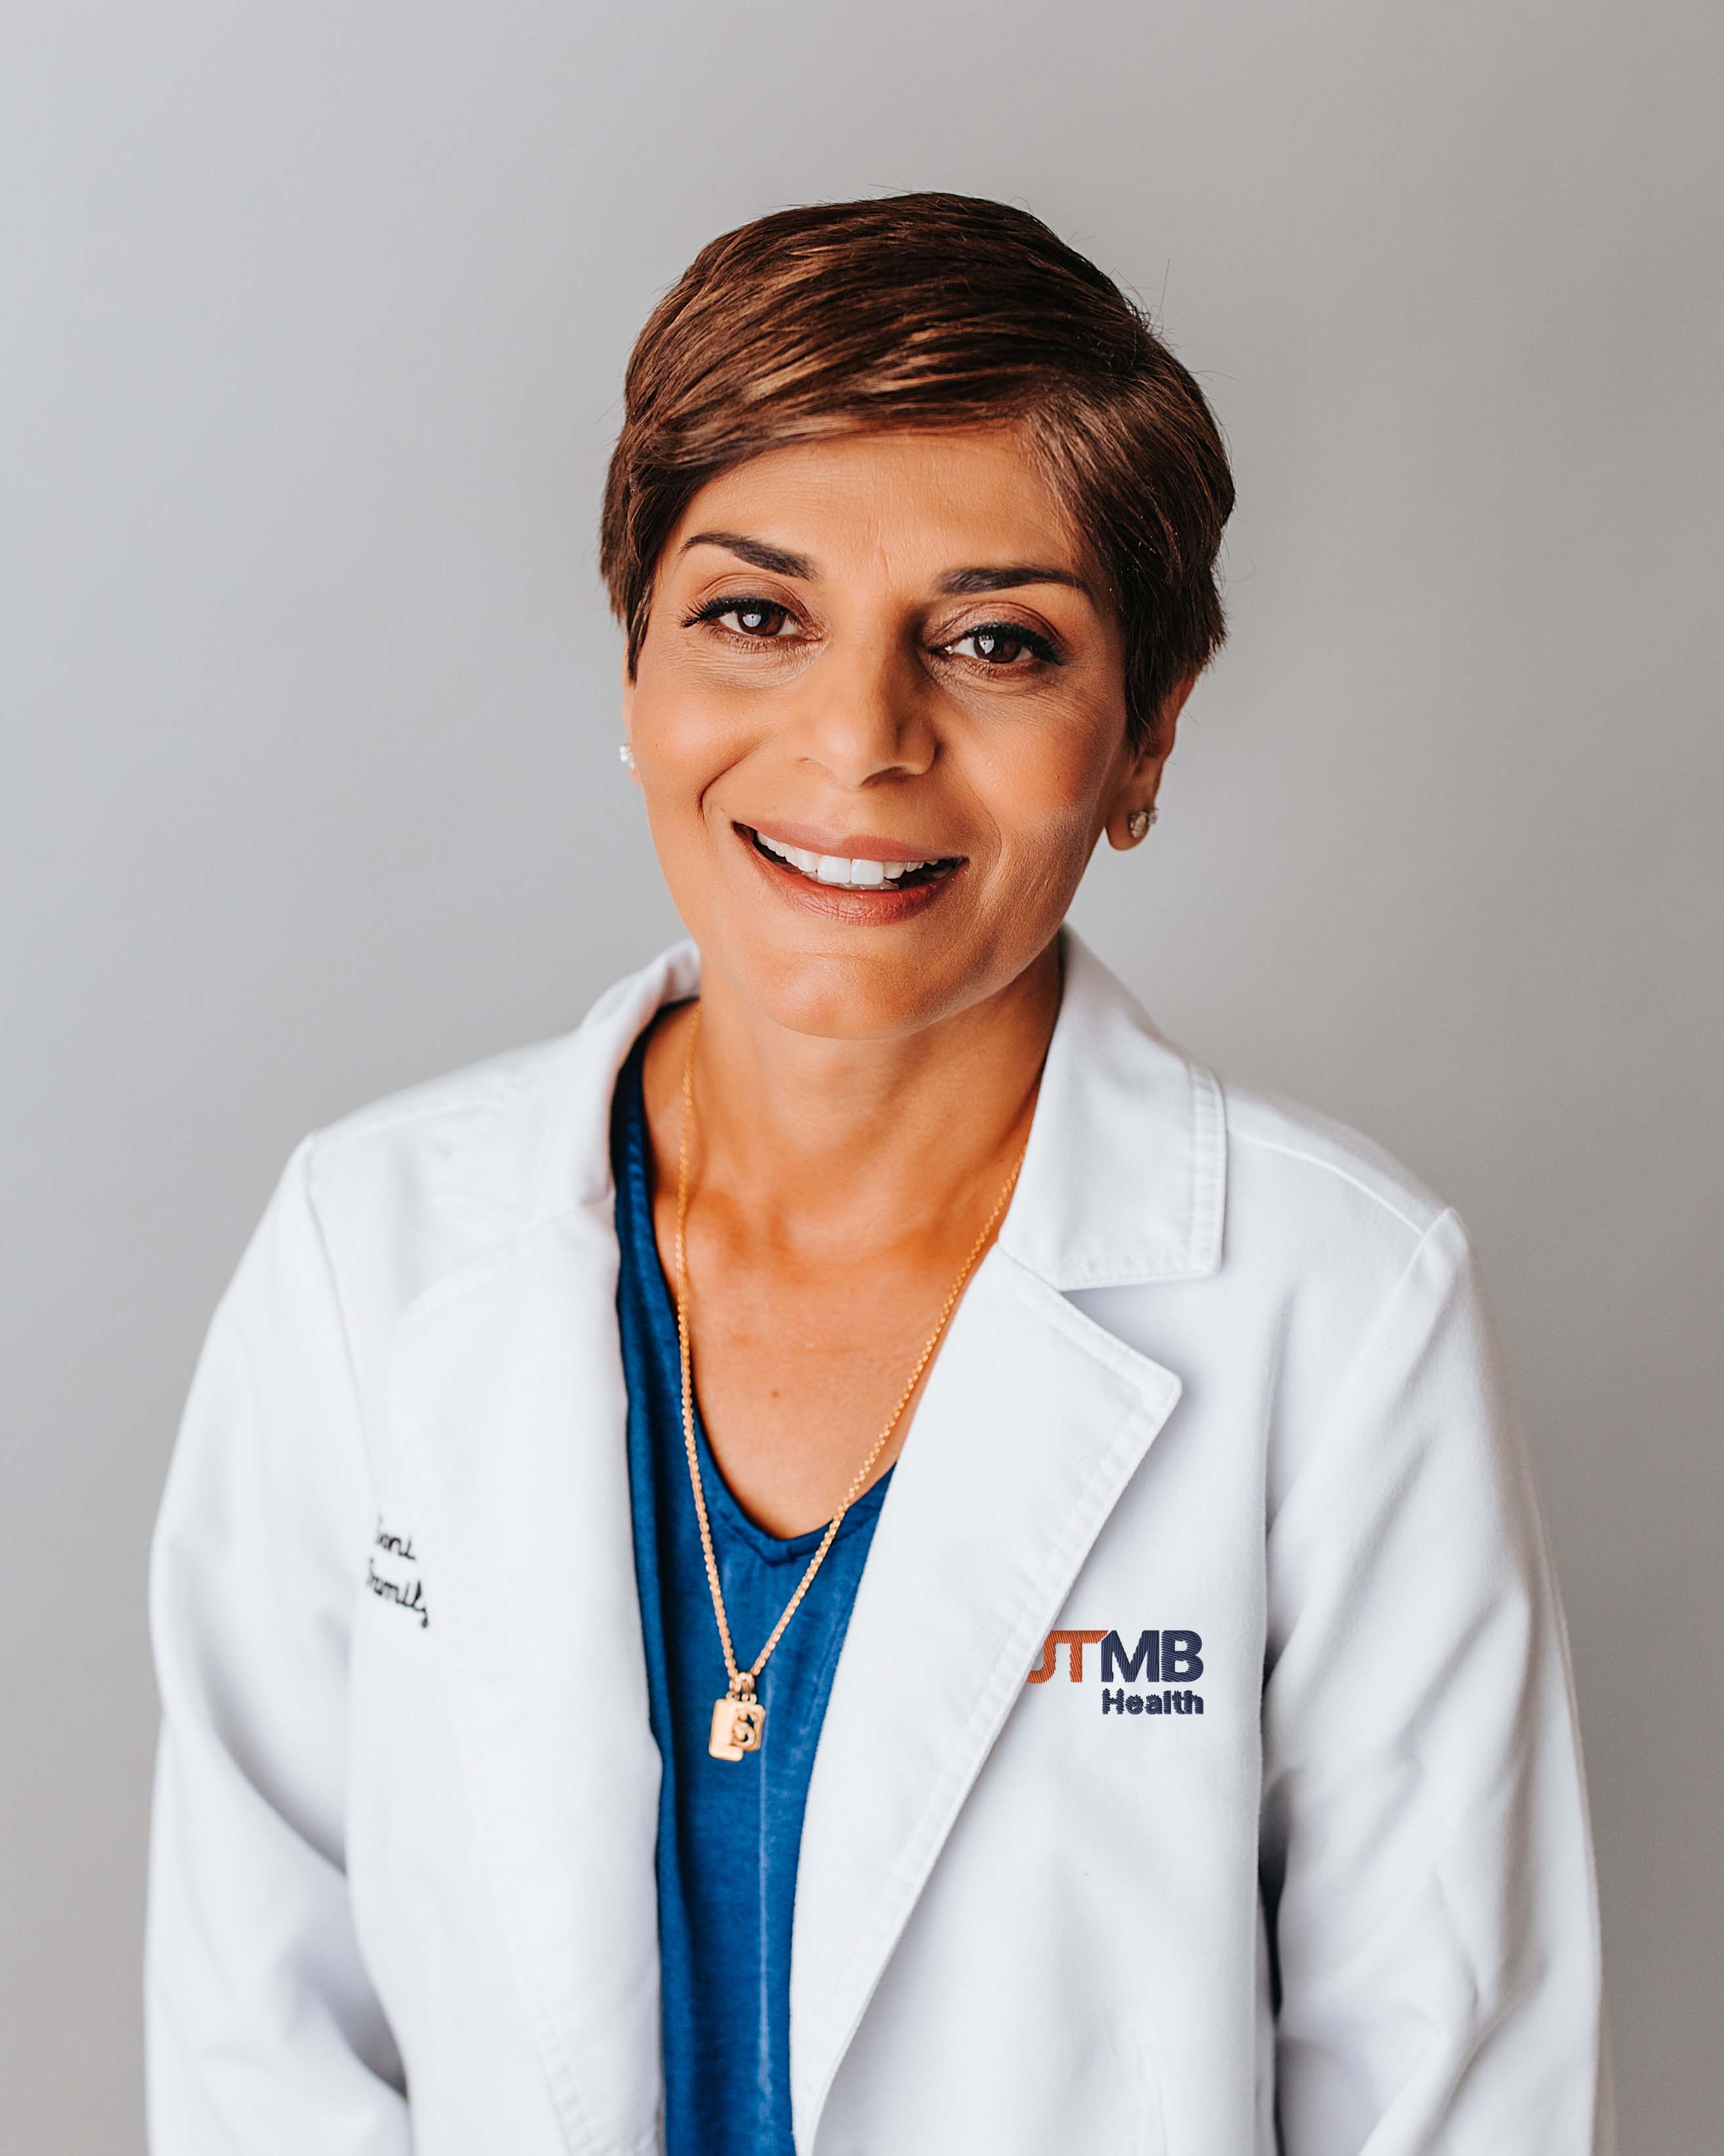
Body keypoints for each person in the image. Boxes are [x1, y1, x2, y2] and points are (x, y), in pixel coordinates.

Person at [144, 193, 1612, 2155]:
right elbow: (261, 2047)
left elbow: (1455, 2095)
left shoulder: (1339, 1308)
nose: (856, 743)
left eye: (996, 642)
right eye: (756, 616)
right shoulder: (371, 1249)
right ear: (635, 665)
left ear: (1145, 736)